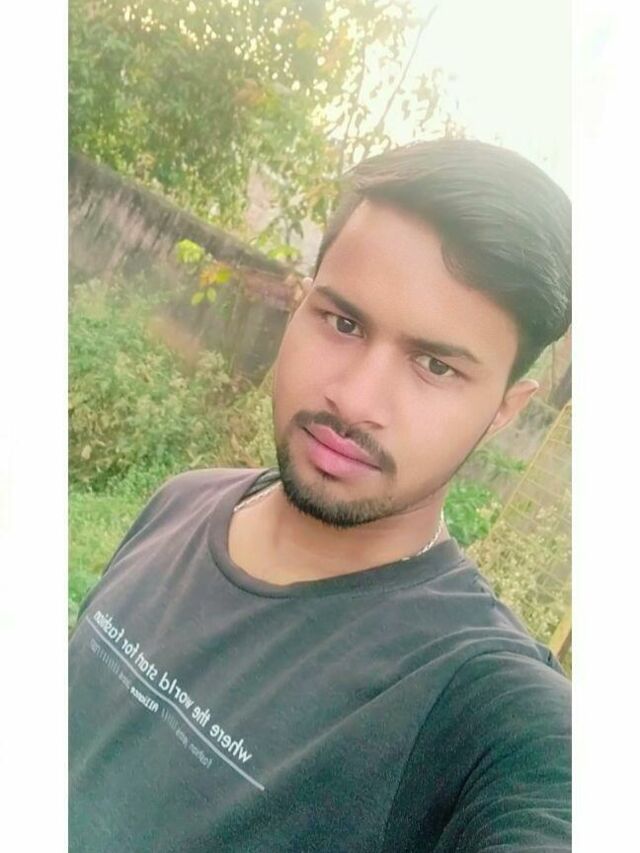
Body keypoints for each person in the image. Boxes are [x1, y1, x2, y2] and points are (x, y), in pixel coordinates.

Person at [69, 138, 571, 852]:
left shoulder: (485, 708)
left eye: (435, 365)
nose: (355, 399)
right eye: (343, 322)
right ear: (301, 302)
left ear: (504, 410)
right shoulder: (181, 503)